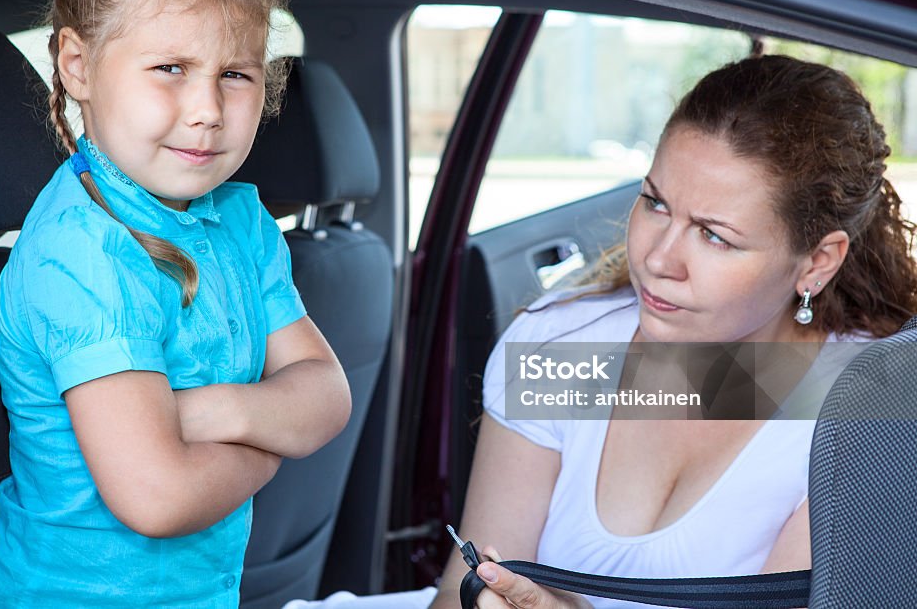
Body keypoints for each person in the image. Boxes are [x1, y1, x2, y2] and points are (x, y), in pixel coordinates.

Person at [287, 55, 917, 609]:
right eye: (656, 203)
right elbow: (459, 588)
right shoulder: (562, 349)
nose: (658, 257)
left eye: (715, 235)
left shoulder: (862, 416)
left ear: (817, 261)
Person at [0, 0, 350, 608]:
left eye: (236, 74)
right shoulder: (84, 251)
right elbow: (159, 497)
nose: (207, 109)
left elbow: (327, 397)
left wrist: (207, 411)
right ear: (77, 66)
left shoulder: (242, 224)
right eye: (170, 66)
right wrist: (272, 443)